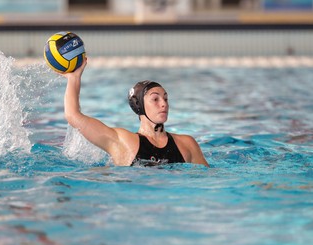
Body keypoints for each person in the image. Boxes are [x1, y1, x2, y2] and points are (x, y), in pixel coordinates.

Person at [61, 58, 209, 167]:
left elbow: (209, 180)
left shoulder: (187, 144)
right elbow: (73, 116)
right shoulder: (122, 142)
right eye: (155, 99)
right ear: (139, 105)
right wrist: (74, 78)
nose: (164, 103)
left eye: (165, 98)